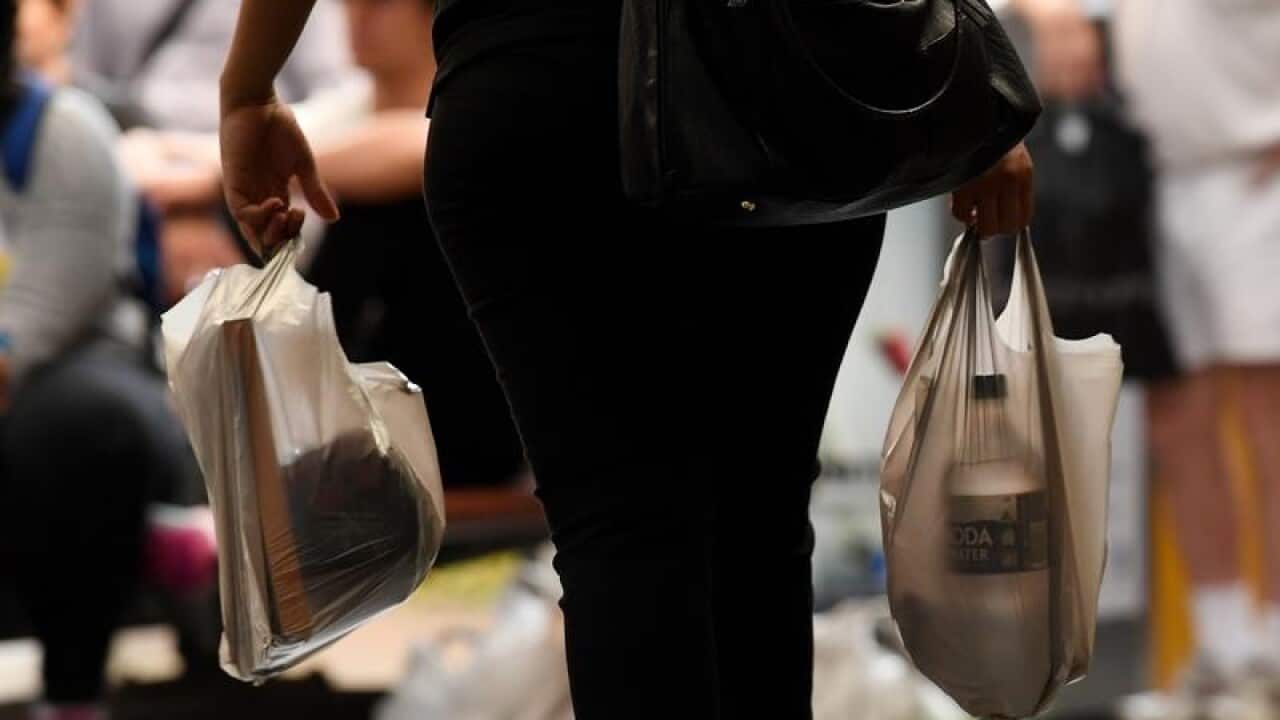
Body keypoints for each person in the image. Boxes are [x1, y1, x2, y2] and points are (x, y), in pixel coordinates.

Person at [217, 2, 1033, 718]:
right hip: (781, 74)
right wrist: (960, 80)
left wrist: (250, 83)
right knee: (759, 526)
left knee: (621, 527)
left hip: (541, 78)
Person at [132, 0, 527, 489]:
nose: (356, 17)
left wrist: (233, 173)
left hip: (453, 400)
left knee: (389, 209)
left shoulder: (468, 103)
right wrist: (188, 214)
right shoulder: (343, 109)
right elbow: (151, 155)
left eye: (379, 5)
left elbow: (420, 149)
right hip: (333, 384)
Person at [0, 2, 214, 718]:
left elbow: (36, 322)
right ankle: (144, 535)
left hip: (81, 375)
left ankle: (73, 693)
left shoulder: (64, 129)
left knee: (73, 425)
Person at [1109, 0, 1280, 685]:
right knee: (1177, 419)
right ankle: (1224, 640)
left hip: (1257, 174)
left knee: (1269, 422)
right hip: (1151, 174)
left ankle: (1274, 639)